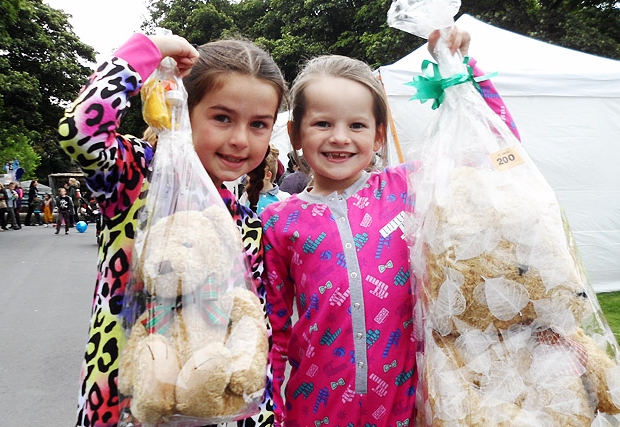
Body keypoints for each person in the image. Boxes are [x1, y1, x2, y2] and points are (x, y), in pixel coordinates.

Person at [260, 28, 520, 427]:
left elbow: (497, 147)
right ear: (295, 133)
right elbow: (273, 332)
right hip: (314, 408)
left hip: (407, 404)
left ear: (380, 134)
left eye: (358, 126)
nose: (340, 138)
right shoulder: (279, 221)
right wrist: (270, 413)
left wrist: (461, 68)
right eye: (323, 124)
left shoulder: (408, 187)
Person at [58, 31, 286, 427]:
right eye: (222, 118)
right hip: (127, 407)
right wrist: (145, 53)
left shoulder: (244, 223)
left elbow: (253, 328)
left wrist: (260, 416)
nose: (239, 139)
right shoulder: (136, 179)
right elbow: (80, 130)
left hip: (215, 407)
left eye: (259, 125)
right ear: (184, 109)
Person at [241, 144, 291, 214]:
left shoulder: (284, 198)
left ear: (268, 175)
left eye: (254, 174)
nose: (248, 178)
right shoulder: (246, 195)